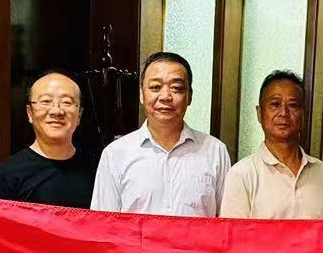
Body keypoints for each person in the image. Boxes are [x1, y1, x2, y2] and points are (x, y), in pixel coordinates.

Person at [90, 51, 231, 216]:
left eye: (176, 88)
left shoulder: (215, 151)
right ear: (141, 94)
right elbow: (103, 224)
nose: (165, 97)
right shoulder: (115, 154)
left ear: (189, 96)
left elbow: (227, 223)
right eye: (155, 87)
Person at [221, 70, 323, 219]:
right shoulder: (242, 175)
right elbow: (234, 233)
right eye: (275, 104)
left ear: (304, 114)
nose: (283, 113)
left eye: (293, 105)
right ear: (259, 113)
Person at [0, 71, 98, 208]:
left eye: (66, 102)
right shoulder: (7, 174)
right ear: (30, 113)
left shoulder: (97, 169)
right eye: (46, 101)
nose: (56, 111)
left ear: (79, 115)